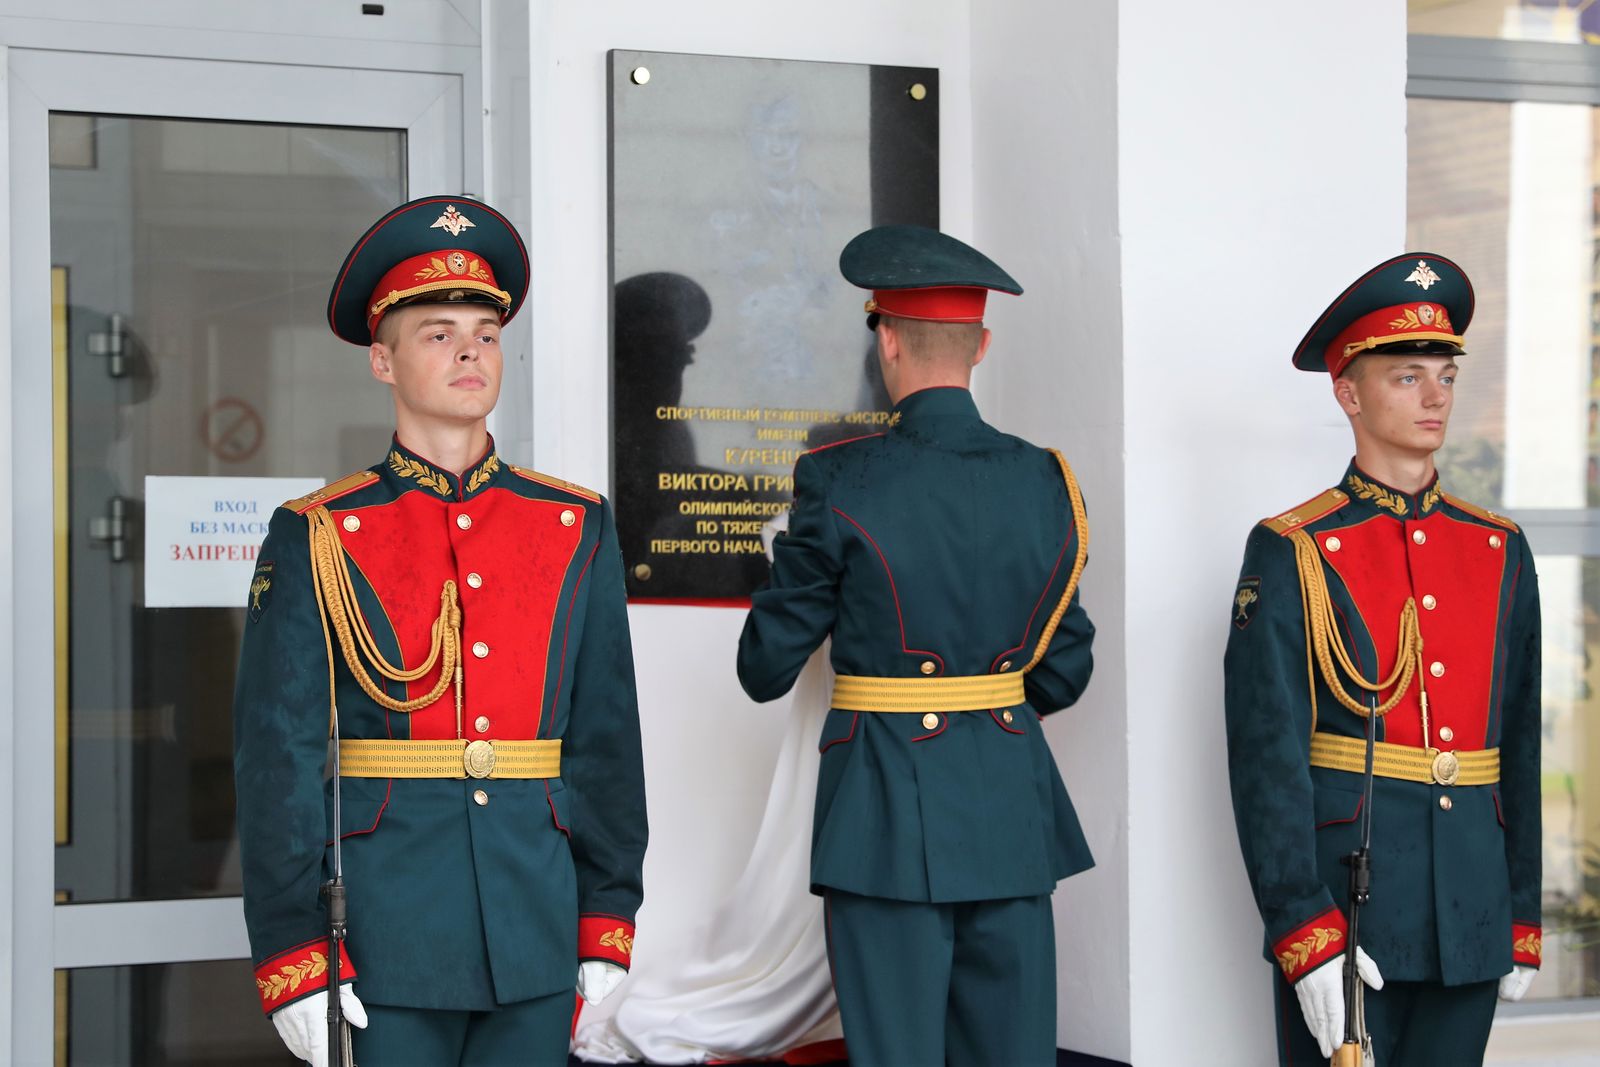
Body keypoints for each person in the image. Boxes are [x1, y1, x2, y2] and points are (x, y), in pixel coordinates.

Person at [233, 196, 647, 1067]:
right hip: (386, 928)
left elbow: (606, 735)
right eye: (439, 333)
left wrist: (608, 909)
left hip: (535, 919)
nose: (470, 351)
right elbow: (279, 759)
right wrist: (293, 952)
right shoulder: (318, 532)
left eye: (486, 334)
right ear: (382, 360)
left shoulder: (574, 525)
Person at [736, 224, 1096, 1067]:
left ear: (888, 341)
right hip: (1012, 814)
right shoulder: (1047, 479)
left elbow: (764, 667)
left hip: (884, 813)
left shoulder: (838, 476)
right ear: (982, 346)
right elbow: (1066, 667)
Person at [1224, 253, 1541, 1064]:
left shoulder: (1499, 549)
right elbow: (1267, 757)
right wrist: (1303, 926)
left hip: (1471, 903)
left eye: (1445, 375)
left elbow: (1518, 743)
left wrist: (1521, 912)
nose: (1436, 396)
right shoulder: (1295, 548)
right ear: (1349, 393)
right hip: (1351, 906)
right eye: (1407, 376)